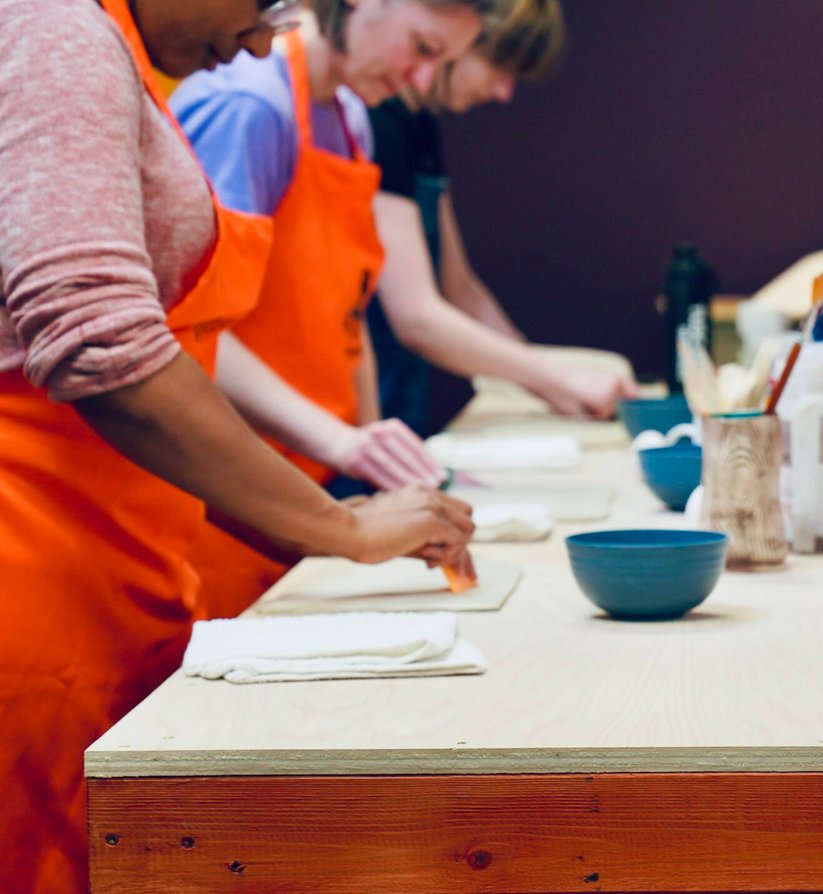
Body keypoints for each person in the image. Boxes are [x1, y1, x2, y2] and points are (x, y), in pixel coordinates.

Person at [0, 1, 475, 890]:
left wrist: (325, 512)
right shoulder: (55, 30)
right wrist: (343, 530)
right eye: (263, 5)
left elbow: (176, 352)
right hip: (36, 583)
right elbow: (105, 345)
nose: (266, 40)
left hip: (117, 574)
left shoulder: (117, 56)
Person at [171, 0, 497, 618]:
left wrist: (384, 470)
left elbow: (349, 313)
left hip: (312, 494)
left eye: (445, 62)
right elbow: (189, 334)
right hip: (229, 505)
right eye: (423, 49)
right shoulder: (250, 110)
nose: (423, 82)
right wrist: (346, 444)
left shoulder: (350, 117)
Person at [368, 0, 638, 439]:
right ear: (462, 38)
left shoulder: (419, 126)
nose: (503, 92)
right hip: (360, 410)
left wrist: (551, 385)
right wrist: (556, 377)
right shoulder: (378, 122)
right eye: (500, 67)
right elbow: (416, 315)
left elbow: (461, 291)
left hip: (401, 413)